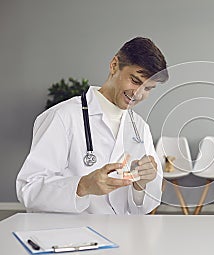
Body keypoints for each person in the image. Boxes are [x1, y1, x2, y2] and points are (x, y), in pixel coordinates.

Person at [16, 37, 169, 214]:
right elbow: (29, 190)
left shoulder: (140, 127)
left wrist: (141, 185)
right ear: (114, 65)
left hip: (121, 235)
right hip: (71, 236)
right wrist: (83, 186)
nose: (138, 94)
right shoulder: (62, 117)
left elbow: (142, 209)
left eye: (148, 89)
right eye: (135, 81)